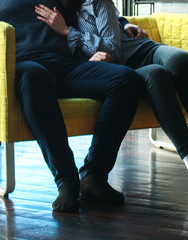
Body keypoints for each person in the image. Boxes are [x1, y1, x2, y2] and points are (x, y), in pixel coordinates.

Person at [35, 0, 188, 202]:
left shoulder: (95, 2)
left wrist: (76, 31)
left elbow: (112, 47)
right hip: (123, 73)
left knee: (182, 61)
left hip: (137, 51)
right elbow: (62, 58)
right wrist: (84, 59)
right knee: (157, 76)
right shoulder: (49, 11)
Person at [0, 0, 145, 213]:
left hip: (66, 64)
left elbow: (83, 11)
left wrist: (122, 23)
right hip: (26, 66)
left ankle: (94, 175)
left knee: (126, 80)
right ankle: (67, 182)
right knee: (35, 76)